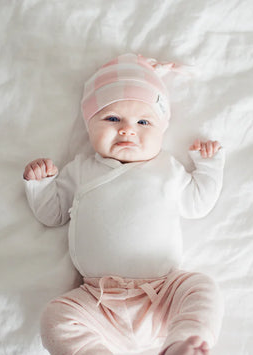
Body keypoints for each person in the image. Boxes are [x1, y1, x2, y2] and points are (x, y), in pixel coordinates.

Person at [23, 53, 225, 355]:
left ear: (161, 129)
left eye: (143, 121)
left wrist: (209, 168)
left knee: (201, 289)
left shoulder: (166, 168)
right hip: (97, 300)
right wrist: (40, 186)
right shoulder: (80, 170)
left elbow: (197, 204)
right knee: (56, 318)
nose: (127, 129)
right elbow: (52, 214)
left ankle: (183, 342)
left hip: (163, 292)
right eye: (112, 118)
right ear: (89, 125)